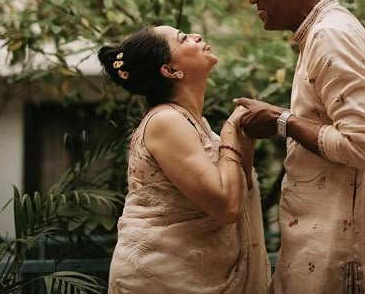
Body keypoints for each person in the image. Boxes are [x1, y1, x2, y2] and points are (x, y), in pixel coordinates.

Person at [234, 0, 365, 294]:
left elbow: (362, 145)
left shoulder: (330, 35)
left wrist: (281, 122)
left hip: (339, 262)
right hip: (323, 252)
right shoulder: (322, 32)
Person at [98, 25, 270, 294]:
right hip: (162, 278)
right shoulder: (165, 121)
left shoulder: (195, 123)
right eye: (183, 39)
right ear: (170, 70)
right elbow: (227, 207)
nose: (196, 37)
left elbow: (237, 190)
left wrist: (244, 136)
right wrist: (230, 131)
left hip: (193, 274)